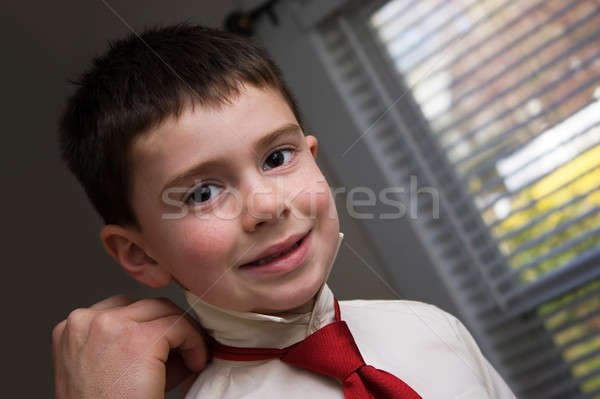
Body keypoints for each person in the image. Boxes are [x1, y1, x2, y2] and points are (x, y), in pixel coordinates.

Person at [52, 22, 517, 399]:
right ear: (140, 254)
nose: (267, 206)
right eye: (202, 193)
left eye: (277, 158)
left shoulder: (437, 330)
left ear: (313, 157)